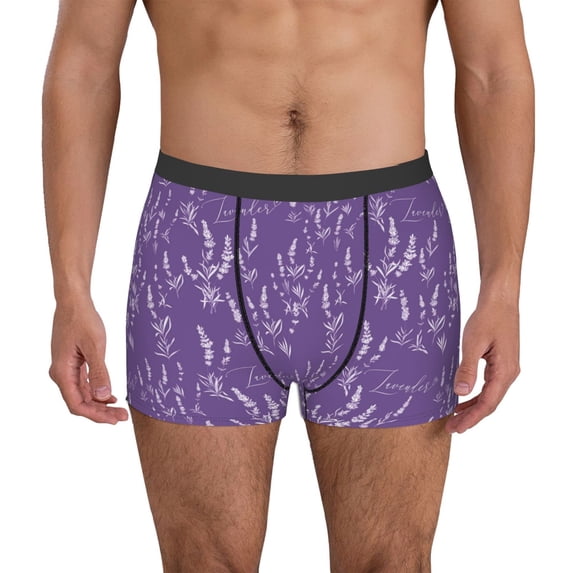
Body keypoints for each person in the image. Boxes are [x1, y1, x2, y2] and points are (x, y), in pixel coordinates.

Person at [42, 0, 534, 571]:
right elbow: (83, 67)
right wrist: (69, 289)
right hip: (196, 246)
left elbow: (493, 71)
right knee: (202, 563)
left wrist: (503, 288)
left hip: (394, 250)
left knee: (392, 561)